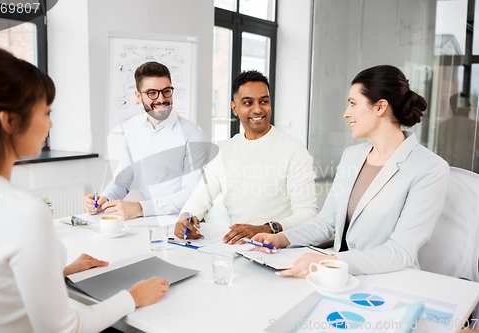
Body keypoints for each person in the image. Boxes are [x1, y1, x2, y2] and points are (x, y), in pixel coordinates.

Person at [0, 47, 169, 332]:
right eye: (46, 112)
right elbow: (65, 328)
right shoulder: (23, 212)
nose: (51, 123)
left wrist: (58, 272)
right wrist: (132, 297)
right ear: (9, 121)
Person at [253, 65, 450, 276]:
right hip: (336, 277)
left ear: (380, 107)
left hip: (388, 281)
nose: (347, 114)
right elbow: (326, 222)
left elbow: (400, 251)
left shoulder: (429, 168)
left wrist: (331, 260)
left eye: (353, 104)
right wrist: (282, 239)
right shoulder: (352, 156)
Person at [174, 70, 318, 243]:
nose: (257, 109)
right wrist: (185, 218)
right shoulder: (223, 150)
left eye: (264, 101)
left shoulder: (293, 149)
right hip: (239, 246)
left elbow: (307, 213)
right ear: (235, 108)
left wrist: (267, 228)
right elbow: (201, 198)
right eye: (248, 102)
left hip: (280, 248)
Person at [84, 61, 207, 220]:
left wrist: (140, 208)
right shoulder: (132, 134)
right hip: (149, 220)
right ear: (138, 95)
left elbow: (193, 192)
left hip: (184, 223)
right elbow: (122, 181)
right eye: (152, 93)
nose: (161, 99)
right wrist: (105, 199)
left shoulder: (193, 134)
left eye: (166, 91)